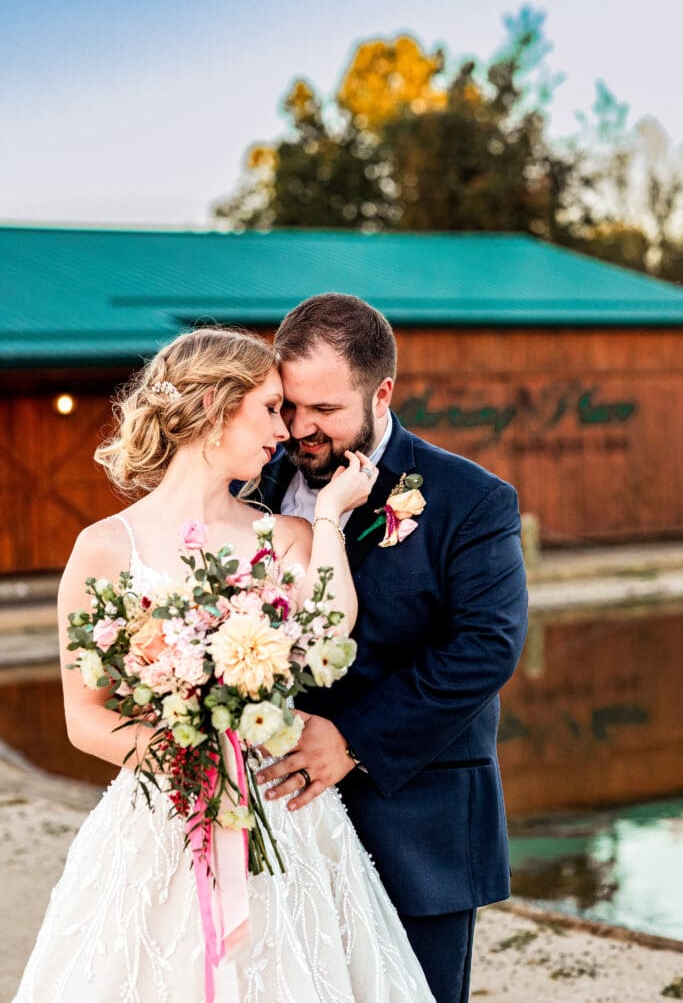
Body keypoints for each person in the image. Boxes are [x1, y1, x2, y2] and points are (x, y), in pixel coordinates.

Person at [12, 328, 436, 1003]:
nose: (285, 430)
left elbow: (332, 626)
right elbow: (84, 718)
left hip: (284, 809)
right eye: (270, 409)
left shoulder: (288, 534)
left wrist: (329, 513)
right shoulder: (100, 549)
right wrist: (189, 758)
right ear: (214, 405)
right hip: (165, 815)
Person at [254, 294, 529, 1003]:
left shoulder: (470, 499)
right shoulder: (246, 491)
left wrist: (351, 739)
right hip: (274, 827)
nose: (300, 429)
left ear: (381, 393)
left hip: (417, 823)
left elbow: (484, 647)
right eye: (287, 406)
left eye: (325, 410)